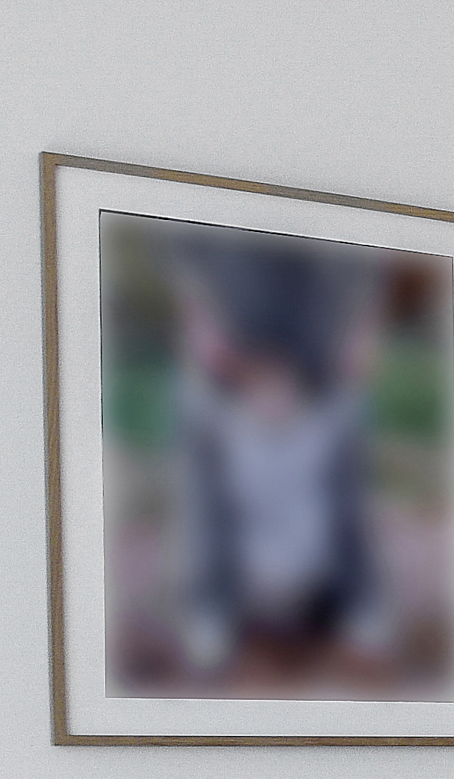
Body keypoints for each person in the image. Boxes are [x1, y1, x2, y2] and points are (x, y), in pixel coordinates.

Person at [164, 242, 398, 679]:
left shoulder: (330, 416)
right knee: (212, 498)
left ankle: (361, 610)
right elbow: (186, 254)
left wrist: (365, 320)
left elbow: (368, 258)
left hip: (315, 351)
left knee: (343, 495)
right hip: (239, 355)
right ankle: (210, 612)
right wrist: (196, 308)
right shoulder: (215, 419)